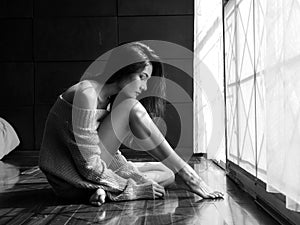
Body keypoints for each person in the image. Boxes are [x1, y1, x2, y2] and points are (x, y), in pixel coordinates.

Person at [39, 42, 223, 206]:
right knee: (131, 107)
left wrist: (127, 173)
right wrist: (134, 190)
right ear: (124, 69)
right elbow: (89, 166)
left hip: (89, 173)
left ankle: (103, 191)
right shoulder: (86, 94)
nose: (144, 87)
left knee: (167, 173)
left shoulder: (109, 99)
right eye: (142, 77)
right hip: (71, 180)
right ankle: (189, 175)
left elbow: (107, 155)